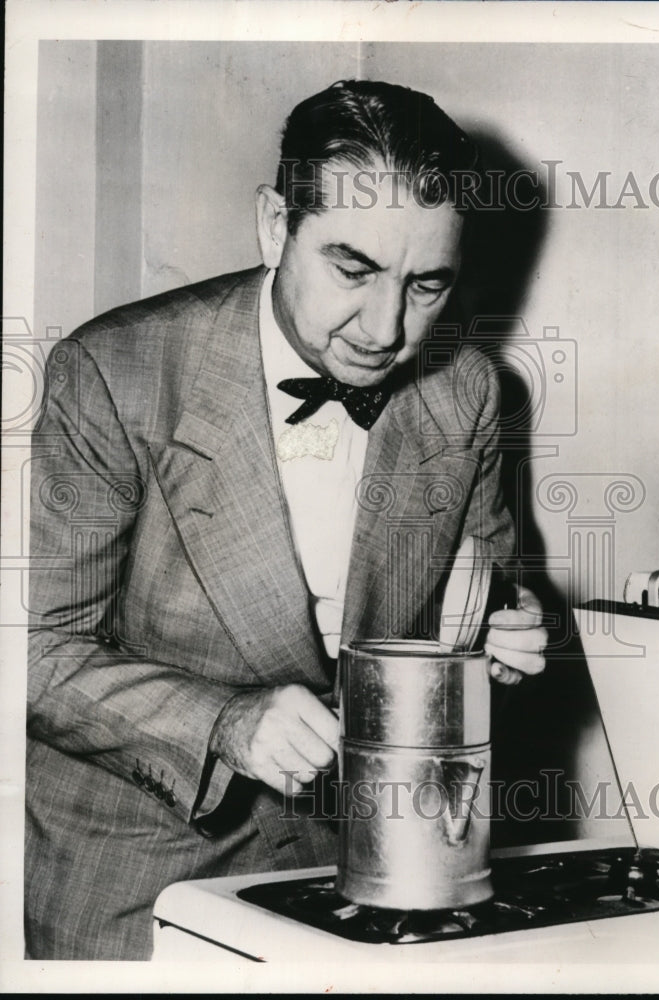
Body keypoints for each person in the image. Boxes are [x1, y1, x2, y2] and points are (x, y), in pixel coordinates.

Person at [25, 79, 547, 960]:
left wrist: (509, 636)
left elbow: (478, 599)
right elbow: (31, 652)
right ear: (276, 225)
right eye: (354, 270)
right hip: (138, 865)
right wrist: (224, 722)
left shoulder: (468, 393)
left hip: (367, 855)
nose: (386, 330)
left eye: (427, 285)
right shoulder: (113, 373)